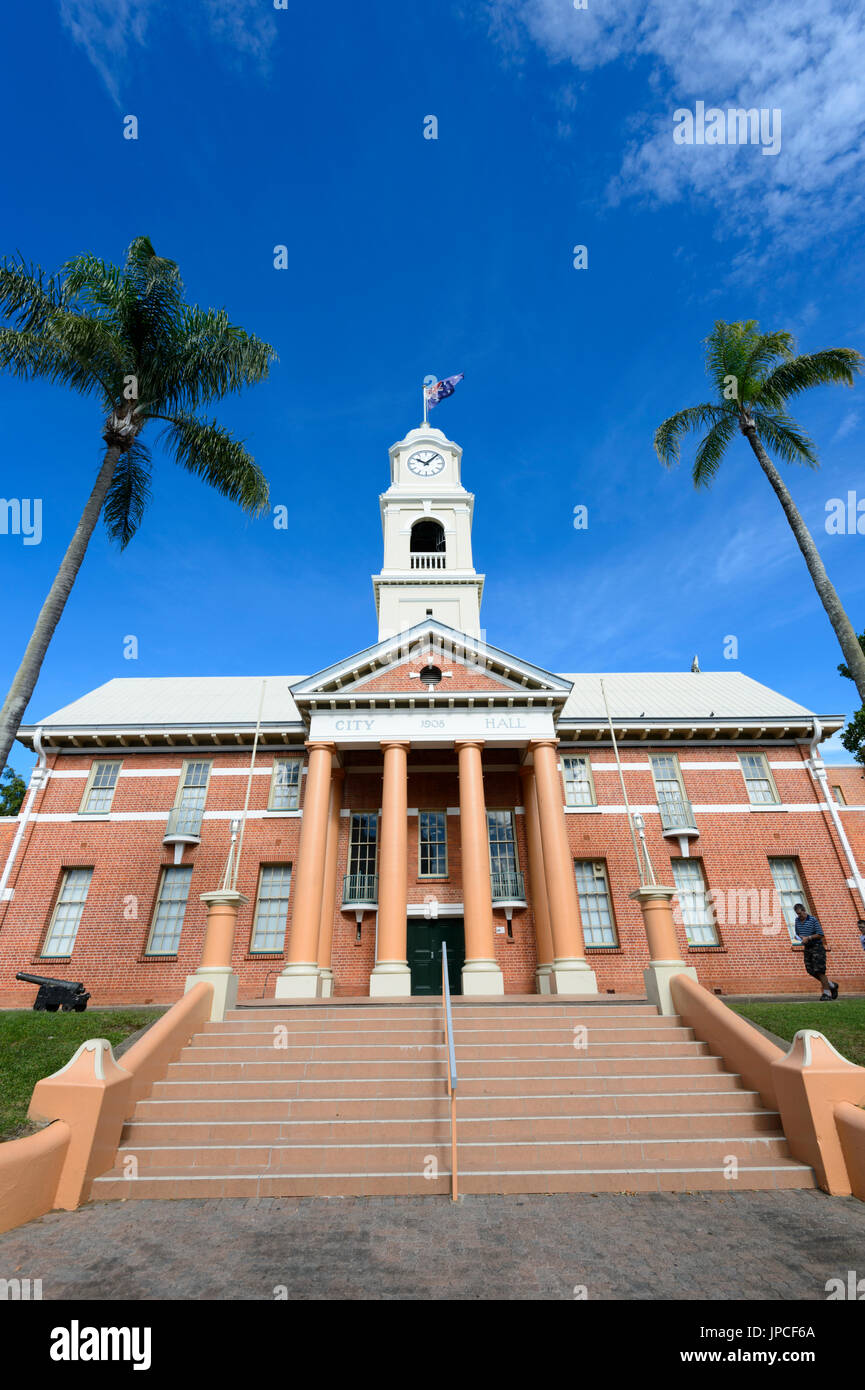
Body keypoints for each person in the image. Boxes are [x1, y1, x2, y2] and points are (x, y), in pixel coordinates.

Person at [793, 903, 839, 1000]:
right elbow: (798, 933)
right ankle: (831, 985)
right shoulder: (797, 921)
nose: (799, 916)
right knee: (810, 970)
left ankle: (826, 993)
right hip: (807, 948)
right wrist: (798, 937)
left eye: (800, 913)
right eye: (797, 914)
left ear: (804, 911)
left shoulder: (813, 920)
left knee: (819, 970)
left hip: (817, 947)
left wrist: (808, 938)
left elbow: (820, 934)